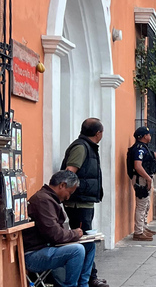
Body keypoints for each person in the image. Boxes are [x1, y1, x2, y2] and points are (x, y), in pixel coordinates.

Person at [23, 170, 95, 287]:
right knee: (77, 250)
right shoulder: (43, 200)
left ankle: (83, 285)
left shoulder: (49, 199)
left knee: (90, 245)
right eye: (69, 192)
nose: (68, 197)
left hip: (47, 247)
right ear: (62, 185)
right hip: (34, 254)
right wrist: (75, 234)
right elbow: (55, 235)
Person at [60, 118, 108, 287]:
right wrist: (75, 193)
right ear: (98, 133)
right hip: (78, 203)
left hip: (84, 201)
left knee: (88, 241)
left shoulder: (87, 146)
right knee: (85, 242)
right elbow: (69, 173)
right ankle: (87, 279)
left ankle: (89, 277)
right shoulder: (81, 147)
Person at [129, 126, 156, 241]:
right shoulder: (139, 149)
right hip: (141, 179)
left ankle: (143, 227)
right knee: (141, 205)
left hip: (144, 178)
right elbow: (138, 166)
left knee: (146, 205)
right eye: (148, 134)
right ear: (143, 136)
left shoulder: (143, 148)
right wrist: (148, 179)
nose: (149, 136)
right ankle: (138, 231)